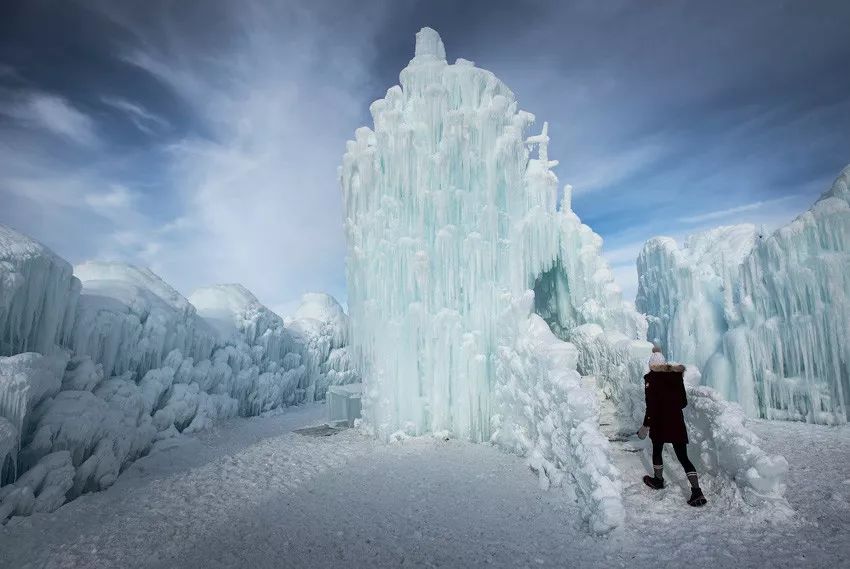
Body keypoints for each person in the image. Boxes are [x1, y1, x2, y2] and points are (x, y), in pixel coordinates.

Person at [636, 347, 707, 507]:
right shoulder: (676, 377)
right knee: (683, 457)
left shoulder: (651, 379)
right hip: (676, 422)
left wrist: (645, 426)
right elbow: (683, 402)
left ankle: (658, 480)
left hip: (659, 422)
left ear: (652, 365)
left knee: (657, 450)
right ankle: (697, 490)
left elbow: (651, 406)